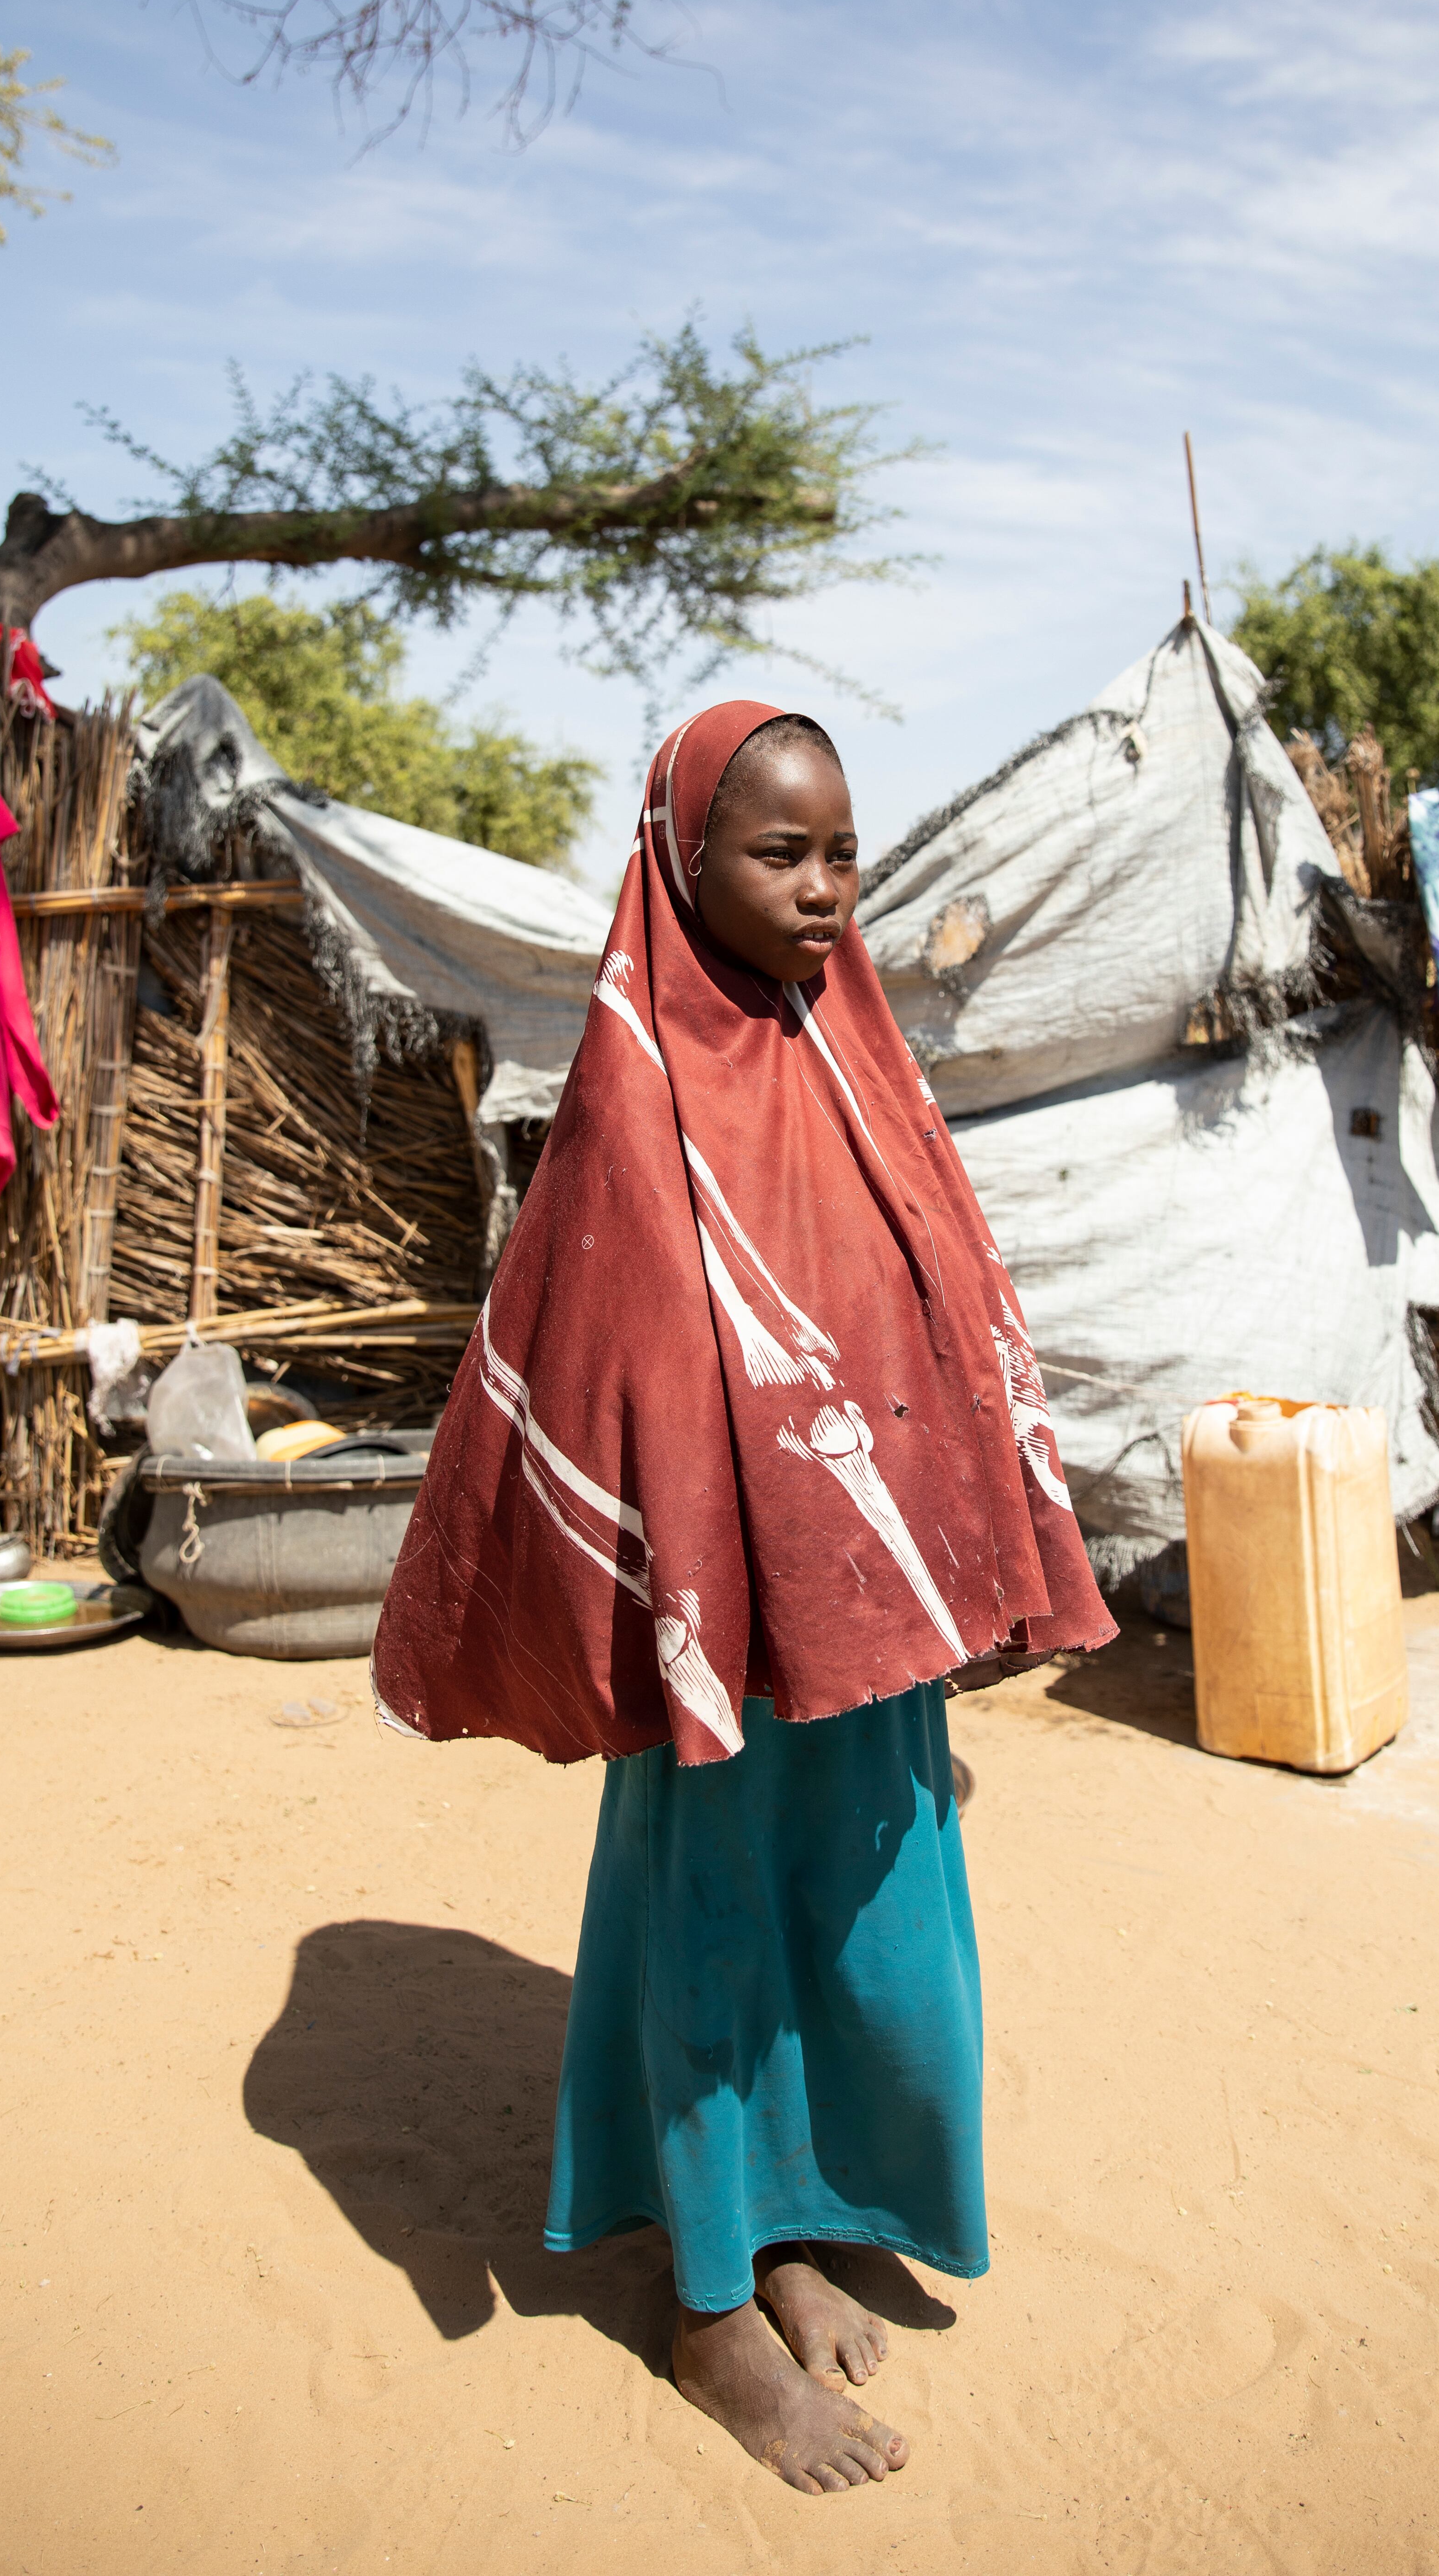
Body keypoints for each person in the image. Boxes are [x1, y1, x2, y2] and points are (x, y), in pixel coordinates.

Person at [373, 701, 1114, 2494]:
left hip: (865, 1619)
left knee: (872, 1933)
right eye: (779, 853)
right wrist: (706, 1571)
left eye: (843, 852)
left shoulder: (854, 1058)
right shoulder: (638, 1088)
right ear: (682, 858)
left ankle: (797, 2220)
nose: (823, 889)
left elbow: (945, 1312)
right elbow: (605, 1356)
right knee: (713, 1933)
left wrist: (953, 1559)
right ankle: (712, 2302)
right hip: (716, 1623)